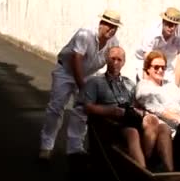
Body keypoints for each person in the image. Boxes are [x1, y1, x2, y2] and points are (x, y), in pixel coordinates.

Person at [39, 10, 122, 161]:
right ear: (101, 23)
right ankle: (46, 146)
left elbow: (113, 62)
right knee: (56, 108)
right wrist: (83, 88)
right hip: (66, 71)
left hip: (88, 74)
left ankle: (75, 149)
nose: (111, 29)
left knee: (82, 111)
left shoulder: (114, 43)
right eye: (109, 25)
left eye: (115, 27)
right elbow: (76, 60)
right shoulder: (85, 35)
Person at [80, 46, 174, 171]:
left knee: (160, 126)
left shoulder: (129, 83)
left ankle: (166, 169)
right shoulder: (96, 82)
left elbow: (136, 105)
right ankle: (143, 170)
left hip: (128, 117)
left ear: (123, 62)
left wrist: (143, 113)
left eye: (119, 59)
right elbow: (87, 107)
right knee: (133, 133)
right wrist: (112, 111)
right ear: (106, 60)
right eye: (112, 59)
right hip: (109, 121)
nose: (115, 63)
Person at [134, 7, 180, 87]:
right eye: (169, 24)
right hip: (144, 61)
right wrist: (146, 88)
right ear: (163, 21)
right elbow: (147, 59)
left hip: (165, 65)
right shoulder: (151, 32)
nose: (172, 28)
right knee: (147, 88)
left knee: (170, 90)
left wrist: (176, 88)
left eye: (175, 25)